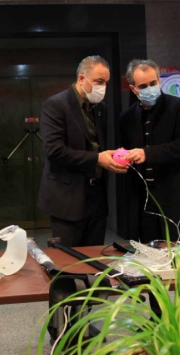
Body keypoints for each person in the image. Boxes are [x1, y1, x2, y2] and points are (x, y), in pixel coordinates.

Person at [38, 55, 123, 247]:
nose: (103, 87)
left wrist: (112, 157)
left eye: (106, 82)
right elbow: (55, 150)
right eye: (99, 81)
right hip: (67, 197)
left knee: (93, 256)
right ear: (81, 78)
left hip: (96, 197)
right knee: (67, 258)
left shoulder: (100, 108)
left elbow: (96, 145)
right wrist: (98, 159)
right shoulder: (56, 105)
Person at [115, 59, 180, 244]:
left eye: (153, 83)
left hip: (176, 196)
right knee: (150, 253)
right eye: (143, 86)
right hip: (144, 201)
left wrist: (147, 153)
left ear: (159, 80)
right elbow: (125, 150)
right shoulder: (126, 117)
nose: (150, 88)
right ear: (133, 89)